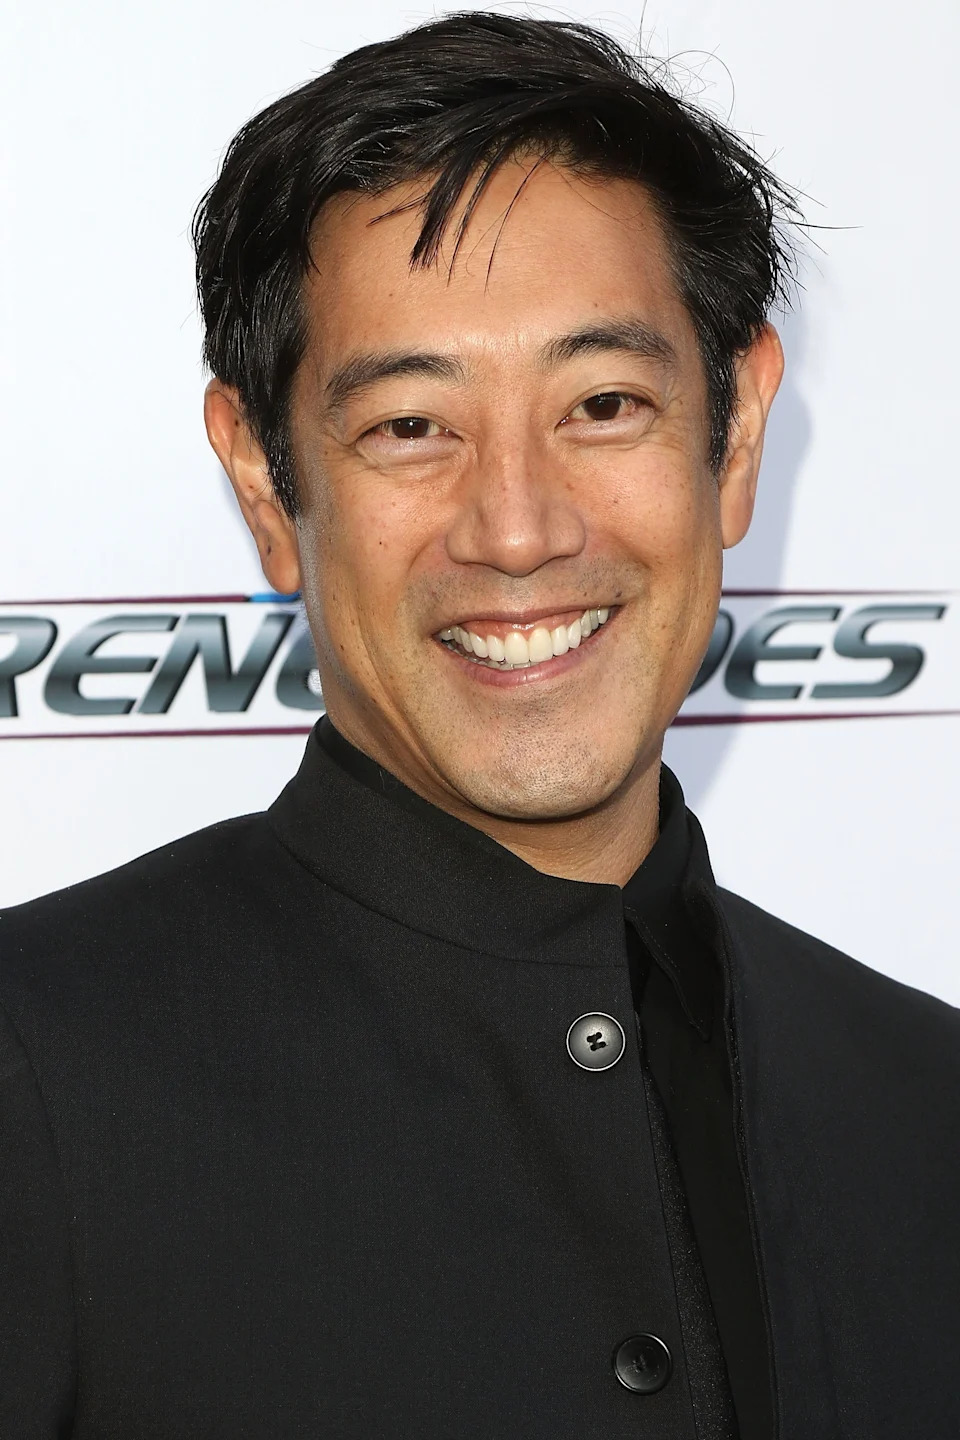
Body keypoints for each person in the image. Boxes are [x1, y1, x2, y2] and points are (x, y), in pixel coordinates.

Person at [1, 12, 957, 1438]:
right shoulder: (32, 1078)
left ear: (738, 438)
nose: (518, 528)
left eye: (605, 403)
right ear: (267, 486)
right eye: (410, 427)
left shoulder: (926, 1107)